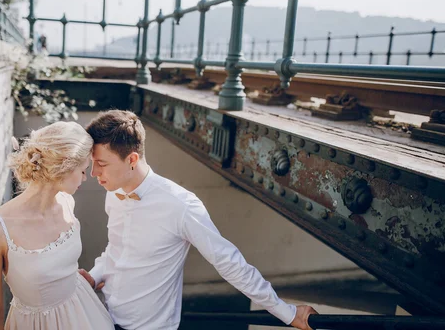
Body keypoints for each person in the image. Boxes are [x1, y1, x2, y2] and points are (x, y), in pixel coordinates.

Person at [79, 110, 317, 330]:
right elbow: (116, 250)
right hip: (103, 318)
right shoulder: (113, 192)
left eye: (101, 164)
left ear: (131, 159)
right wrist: (96, 274)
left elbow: (229, 263)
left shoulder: (181, 205)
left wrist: (287, 313)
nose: (93, 174)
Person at [0, 122, 114, 330]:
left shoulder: (67, 202)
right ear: (65, 166)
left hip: (85, 315)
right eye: (83, 170)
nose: (86, 178)